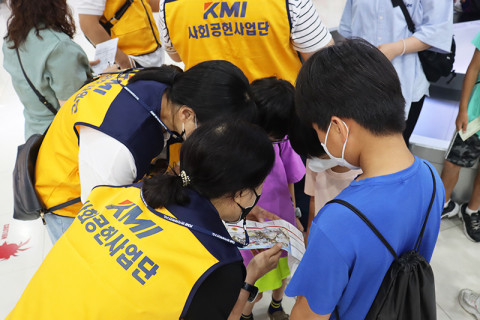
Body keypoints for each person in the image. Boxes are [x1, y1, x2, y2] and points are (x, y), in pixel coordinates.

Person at [6, 120, 284, 320]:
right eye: (260, 186)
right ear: (241, 192)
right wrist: (249, 278)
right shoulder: (218, 266)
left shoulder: (119, 193)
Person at [283, 39, 444, 319]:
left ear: (338, 128)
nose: (321, 142)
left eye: (318, 131)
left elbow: (308, 315)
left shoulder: (336, 221)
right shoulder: (432, 178)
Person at [34, 61, 257, 243]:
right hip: (69, 201)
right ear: (187, 115)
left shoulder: (166, 85)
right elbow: (101, 221)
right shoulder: (119, 147)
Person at [338, 0, 453, 145]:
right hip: (360, 80)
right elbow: (348, 29)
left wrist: (397, 48)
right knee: (356, 145)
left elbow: (437, 30)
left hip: (405, 78)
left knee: (394, 147)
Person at [240, 78, 305, 320]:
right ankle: (245, 314)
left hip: (281, 219)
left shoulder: (282, 142)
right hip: (249, 225)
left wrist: (295, 213)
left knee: (282, 270)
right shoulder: (239, 144)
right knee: (252, 280)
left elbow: (291, 177)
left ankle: (276, 305)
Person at [158, 0, 333, 84]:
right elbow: (323, 60)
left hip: (209, 123)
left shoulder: (170, 3)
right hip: (278, 125)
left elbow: (176, 56)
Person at [2, 0, 92, 139]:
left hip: (35, 136)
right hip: (63, 140)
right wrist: (106, 74)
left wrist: (73, 66)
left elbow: (34, 74)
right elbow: (73, 109)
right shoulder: (58, 46)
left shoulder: (12, 40)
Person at [440, 31, 480, 242]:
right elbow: (474, 67)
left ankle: (472, 210)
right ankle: (442, 204)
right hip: (475, 116)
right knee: (453, 162)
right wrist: (463, 108)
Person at [77, 0, 163, 68]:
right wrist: (124, 62)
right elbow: (88, 25)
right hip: (130, 62)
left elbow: (149, 3)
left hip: (152, 56)